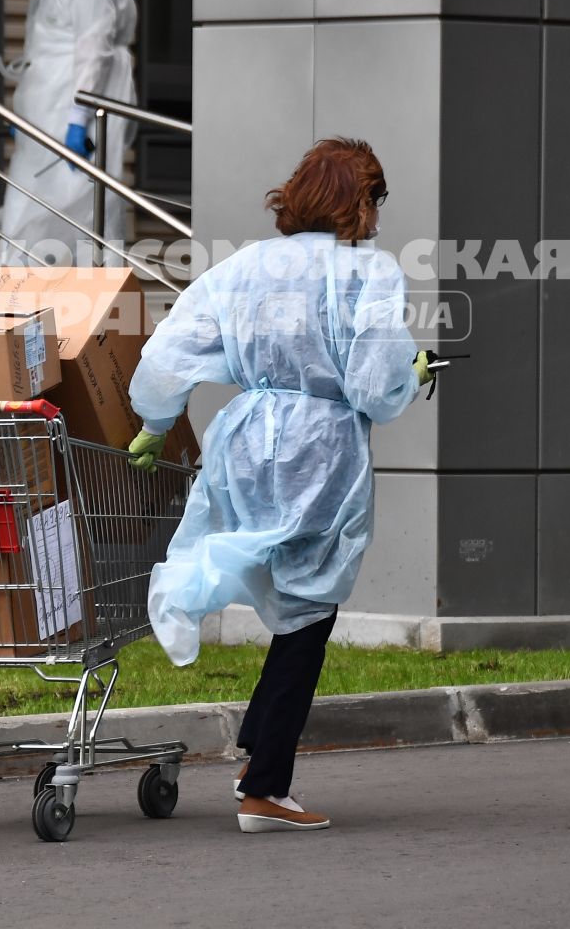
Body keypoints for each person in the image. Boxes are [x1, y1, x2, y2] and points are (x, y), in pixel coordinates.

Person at [125, 139, 432, 834]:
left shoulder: (243, 266)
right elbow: (374, 388)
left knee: (294, 607)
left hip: (244, 440)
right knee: (311, 610)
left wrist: (154, 420)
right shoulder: (369, 273)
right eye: (375, 198)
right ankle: (267, 787)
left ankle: (256, 753)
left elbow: (171, 349)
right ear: (358, 202)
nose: (379, 214)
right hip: (318, 450)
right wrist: (414, 374)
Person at [0, 0, 138, 265]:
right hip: (45, 111)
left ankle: (91, 302)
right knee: (28, 208)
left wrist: (79, 118)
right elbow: (42, 51)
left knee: (80, 207)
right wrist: (25, 116)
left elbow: (93, 49)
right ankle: (23, 303)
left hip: (75, 112)